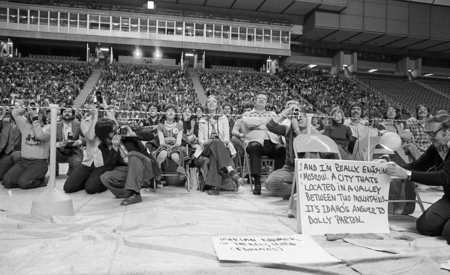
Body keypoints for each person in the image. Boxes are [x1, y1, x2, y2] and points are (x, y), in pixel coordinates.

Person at [386, 113, 450, 243]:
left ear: (448, 131)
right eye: (427, 133)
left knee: (448, 233)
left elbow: (444, 177)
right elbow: (418, 165)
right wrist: (391, 167)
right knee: (426, 226)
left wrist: (407, 174)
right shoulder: (437, 147)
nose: (429, 137)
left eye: (432, 133)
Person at [97, 118, 161, 205]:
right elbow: (109, 167)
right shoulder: (103, 146)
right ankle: (129, 192)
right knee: (105, 177)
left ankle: (136, 194)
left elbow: (150, 136)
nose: (117, 132)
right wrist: (114, 148)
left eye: (116, 128)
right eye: (113, 131)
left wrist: (132, 134)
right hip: (128, 169)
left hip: (145, 166)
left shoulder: (126, 131)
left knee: (133, 155)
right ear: (105, 136)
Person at [265, 101, 319, 199]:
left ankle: (304, 193)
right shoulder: (288, 129)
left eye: (304, 115)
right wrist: (287, 111)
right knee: (270, 183)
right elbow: (270, 126)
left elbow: (305, 147)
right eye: (298, 115)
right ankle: (303, 193)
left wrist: (297, 130)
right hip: (290, 167)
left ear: (310, 118)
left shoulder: (315, 132)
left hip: (309, 169)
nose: (300, 117)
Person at [240, 92, 286, 195]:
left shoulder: (272, 114)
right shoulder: (247, 114)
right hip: (254, 141)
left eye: (264, 99)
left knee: (282, 149)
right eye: (259, 98)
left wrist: (259, 125)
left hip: (272, 142)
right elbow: (248, 122)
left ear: (266, 103)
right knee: (255, 147)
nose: (261, 100)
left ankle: (275, 181)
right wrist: (268, 124)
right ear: (255, 101)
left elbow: (276, 124)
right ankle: (257, 182)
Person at [63, 102, 111, 194]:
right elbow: (90, 137)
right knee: (68, 187)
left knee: (91, 189)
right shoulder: (85, 122)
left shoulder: (108, 122)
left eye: (99, 106)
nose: (97, 107)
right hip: (88, 161)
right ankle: (91, 179)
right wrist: (95, 117)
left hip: (103, 162)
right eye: (95, 105)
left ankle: (104, 182)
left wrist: (105, 109)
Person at [195, 96, 239, 195]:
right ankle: (230, 169)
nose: (211, 103)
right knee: (214, 142)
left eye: (214, 101)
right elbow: (200, 139)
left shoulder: (223, 119)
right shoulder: (202, 120)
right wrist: (204, 142)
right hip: (206, 148)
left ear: (217, 105)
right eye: (209, 102)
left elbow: (227, 138)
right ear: (206, 105)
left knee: (215, 150)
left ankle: (214, 187)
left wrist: (220, 142)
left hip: (222, 146)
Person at [2, 102, 51, 189]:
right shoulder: (26, 126)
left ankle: (43, 180)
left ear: (43, 116)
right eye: (32, 113)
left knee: (24, 183)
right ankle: (27, 177)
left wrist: (35, 119)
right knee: (7, 182)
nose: (34, 114)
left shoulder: (49, 127)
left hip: (39, 163)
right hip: (23, 161)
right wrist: (25, 108)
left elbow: (39, 135)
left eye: (37, 113)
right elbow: (15, 113)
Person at [155, 104, 186, 180]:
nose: (170, 112)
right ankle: (157, 170)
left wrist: (173, 144)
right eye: (168, 110)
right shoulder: (160, 126)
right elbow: (161, 142)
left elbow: (178, 142)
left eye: (173, 110)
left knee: (175, 157)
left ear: (175, 114)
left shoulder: (179, 126)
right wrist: (168, 143)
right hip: (164, 146)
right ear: (165, 114)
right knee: (162, 155)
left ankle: (181, 171)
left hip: (175, 147)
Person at [56, 106, 84, 176]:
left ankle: (71, 172)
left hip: (73, 151)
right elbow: (49, 140)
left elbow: (86, 137)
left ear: (73, 115)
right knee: (51, 151)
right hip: (59, 151)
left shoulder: (79, 125)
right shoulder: (55, 125)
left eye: (69, 112)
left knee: (77, 162)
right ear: (61, 114)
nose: (67, 113)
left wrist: (78, 142)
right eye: (65, 112)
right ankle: (54, 172)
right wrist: (59, 144)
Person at [0, 105, 21, 181]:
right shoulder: (4, 123)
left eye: (15, 108)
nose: (12, 110)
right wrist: (2, 115)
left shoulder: (24, 123)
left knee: (17, 155)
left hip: (18, 154)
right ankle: (10, 173)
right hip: (5, 154)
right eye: (11, 109)